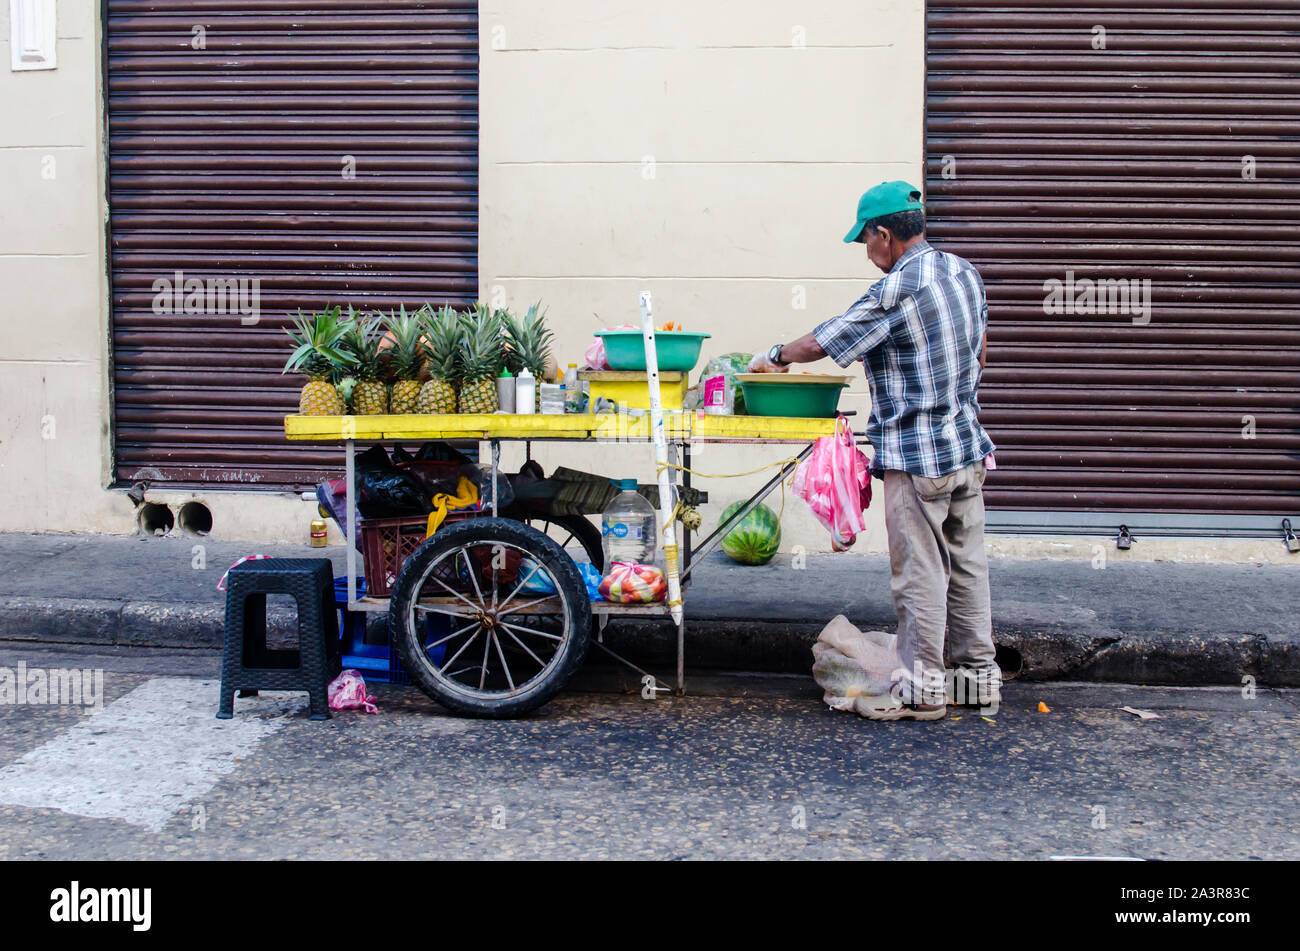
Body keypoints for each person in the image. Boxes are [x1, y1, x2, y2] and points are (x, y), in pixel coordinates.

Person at [749, 181, 1001, 721]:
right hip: (967, 449)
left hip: (918, 457)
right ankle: (976, 682)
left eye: (866, 240)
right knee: (968, 568)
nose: (868, 253)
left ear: (884, 235)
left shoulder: (897, 287)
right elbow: (981, 351)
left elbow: (826, 341)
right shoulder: (964, 272)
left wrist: (775, 356)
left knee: (920, 575)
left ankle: (923, 691)